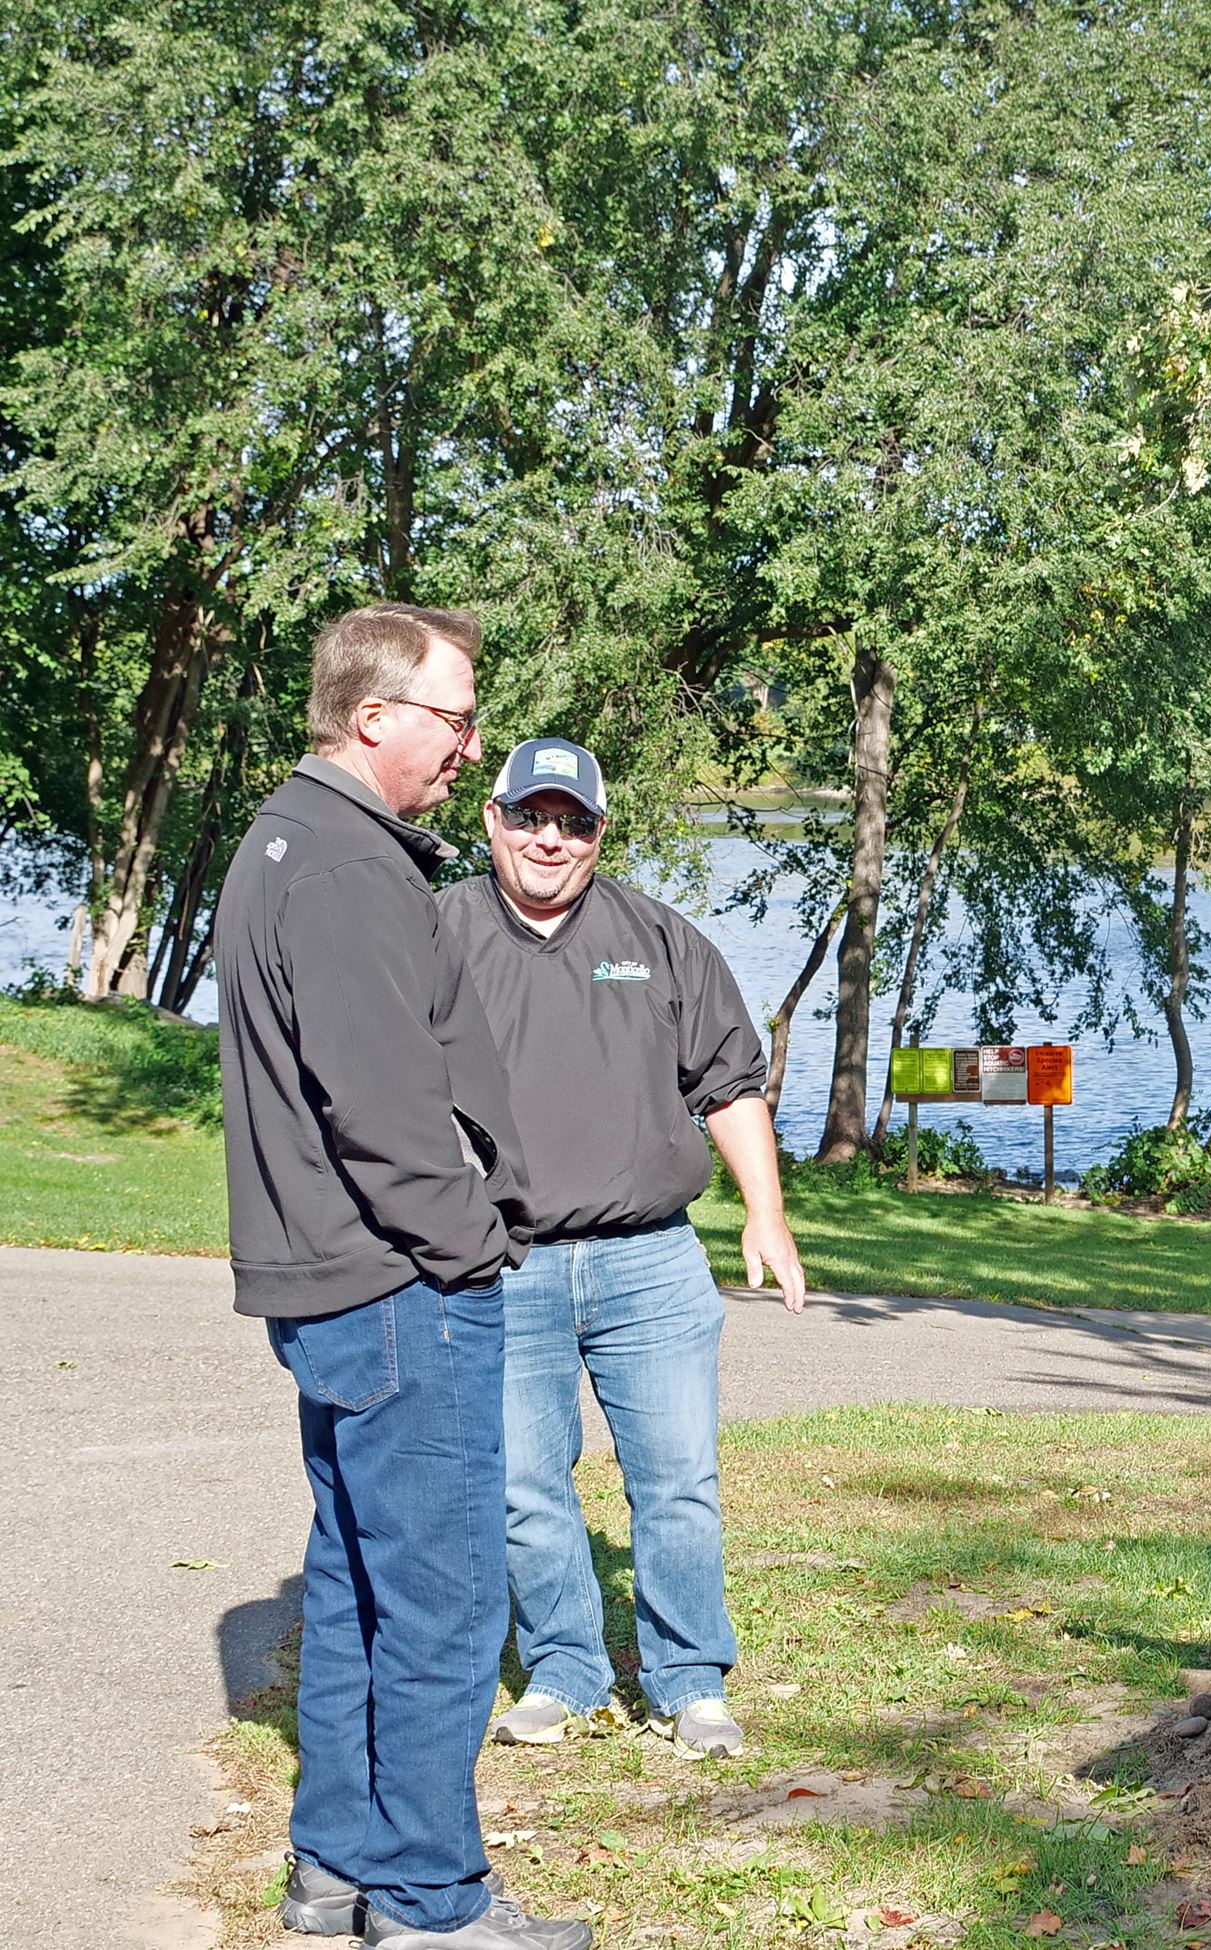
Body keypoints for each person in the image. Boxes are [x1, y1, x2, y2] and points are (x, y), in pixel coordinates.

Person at [214, 606, 588, 1949]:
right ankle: (432, 1902)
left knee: (362, 1587)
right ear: (374, 717)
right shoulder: (343, 862)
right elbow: (376, 1104)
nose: (469, 745)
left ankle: (338, 1871)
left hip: (339, 1280)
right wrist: (473, 1245)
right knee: (440, 1598)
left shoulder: (290, 840)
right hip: (394, 1287)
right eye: (456, 716)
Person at [436, 737, 806, 1760]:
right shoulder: (437, 930)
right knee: (524, 1484)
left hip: (652, 1263)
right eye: (531, 816)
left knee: (678, 1479)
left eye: (574, 822)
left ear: (600, 833)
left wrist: (765, 1215)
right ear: (493, 820)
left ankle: (690, 1683)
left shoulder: (657, 935)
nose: (550, 839)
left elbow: (728, 1083)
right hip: (503, 1264)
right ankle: (563, 1670)